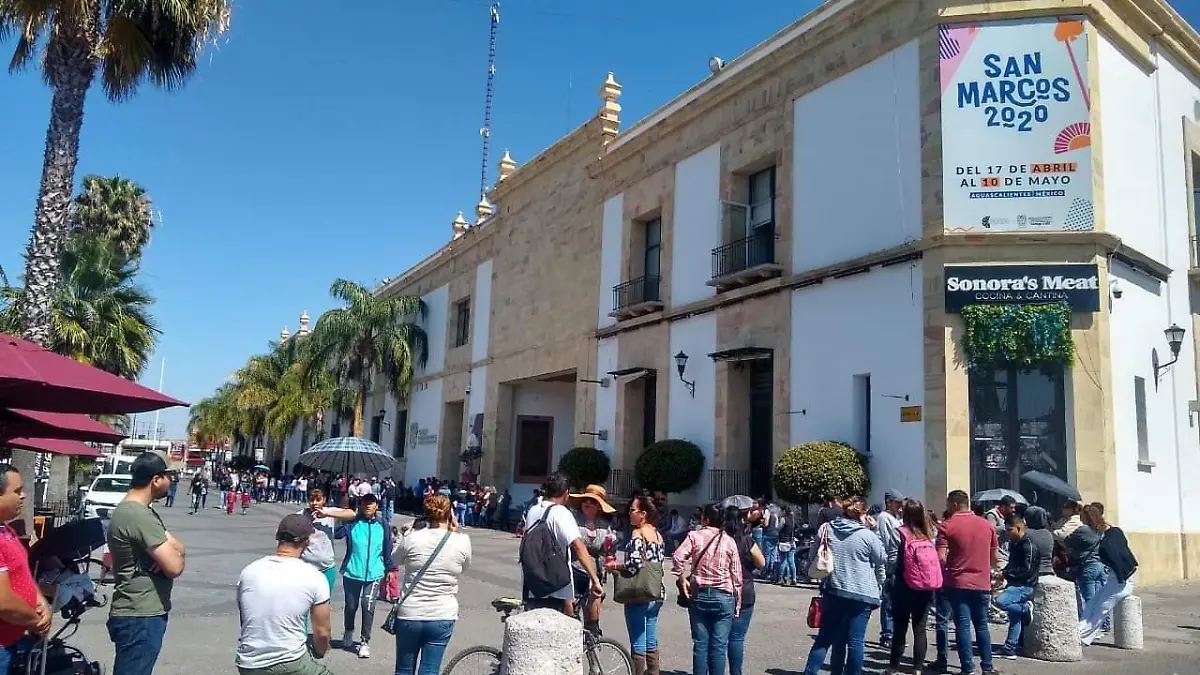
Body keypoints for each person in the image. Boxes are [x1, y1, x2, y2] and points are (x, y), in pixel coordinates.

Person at [107, 453, 185, 675]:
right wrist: (171, 556)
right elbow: (174, 566)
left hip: (141, 612)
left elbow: (179, 548)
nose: (171, 481)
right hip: (139, 614)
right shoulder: (136, 515)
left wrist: (173, 554)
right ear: (156, 479)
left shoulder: (143, 512)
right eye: (169, 476)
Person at [235, 515, 333, 675]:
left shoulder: (249, 571)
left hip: (248, 662)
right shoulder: (313, 577)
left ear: (278, 537)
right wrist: (319, 652)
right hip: (288, 661)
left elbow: (245, 618)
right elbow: (322, 631)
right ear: (306, 542)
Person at [800, 496, 885, 675]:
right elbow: (881, 558)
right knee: (856, 641)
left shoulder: (826, 528)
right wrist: (874, 530)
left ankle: (812, 672)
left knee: (825, 638)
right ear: (862, 514)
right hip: (862, 593)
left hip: (834, 589)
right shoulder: (867, 535)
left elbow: (813, 555)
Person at [393, 494, 472, 675]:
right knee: (430, 670)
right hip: (442, 613)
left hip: (410, 612)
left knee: (404, 670)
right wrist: (454, 533)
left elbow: (394, 559)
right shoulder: (462, 541)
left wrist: (404, 534)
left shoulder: (413, 538)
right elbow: (464, 567)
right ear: (450, 515)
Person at [672, 503, 743, 675]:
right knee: (719, 646)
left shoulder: (694, 536)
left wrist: (682, 580)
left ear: (706, 519)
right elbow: (736, 575)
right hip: (724, 596)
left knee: (700, 644)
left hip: (699, 593)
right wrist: (738, 602)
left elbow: (677, 557)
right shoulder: (729, 541)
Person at [520, 474, 604, 616]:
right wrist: (595, 579)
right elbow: (578, 546)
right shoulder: (560, 512)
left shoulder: (533, 510)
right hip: (555, 586)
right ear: (566, 493)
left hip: (533, 582)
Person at [935, 490, 999, 675]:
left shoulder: (947, 526)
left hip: (957, 582)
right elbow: (994, 557)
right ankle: (987, 666)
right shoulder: (987, 525)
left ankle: (967, 668)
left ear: (954, 505)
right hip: (981, 582)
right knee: (981, 624)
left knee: (962, 625)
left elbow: (941, 558)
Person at [606, 494, 665, 675]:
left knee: (638, 640)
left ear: (643, 513)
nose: (629, 513)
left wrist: (614, 565)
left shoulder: (637, 533)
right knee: (650, 638)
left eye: (632, 510)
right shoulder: (658, 535)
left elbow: (634, 564)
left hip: (639, 592)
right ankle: (654, 671)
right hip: (656, 592)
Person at [0, 465, 52, 671]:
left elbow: (23, 574)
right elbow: (3, 601)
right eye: (17, 491)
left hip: (12, 641)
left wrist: (42, 603)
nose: (23, 496)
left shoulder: (6, 529)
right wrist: (36, 620)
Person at [335, 493, 396, 659]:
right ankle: (348, 631)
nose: (369, 506)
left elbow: (387, 549)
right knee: (351, 606)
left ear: (377, 505)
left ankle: (364, 642)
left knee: (367, 605)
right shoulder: (353, 522)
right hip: (352, 571)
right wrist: (346, 512)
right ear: (361, 505)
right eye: (365, 503)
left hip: (375, 572)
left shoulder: (383, 524)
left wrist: (391, 569)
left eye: (372, 503)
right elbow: (337, 533)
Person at [886, 499, 938, 675]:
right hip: (925, 587)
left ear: (904, 513)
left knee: (900, 627)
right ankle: (917, 668)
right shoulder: (928, 534)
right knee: (920, 628)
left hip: (903, 584)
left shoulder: (899, 533)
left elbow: (892, 561)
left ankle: (893, 667)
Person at [1078, 504, 1137, 646]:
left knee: (1101, 607)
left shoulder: (1105, 544)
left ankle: (1083, 638)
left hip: (1120, 579)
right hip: (1118, 577)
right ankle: (1078, 632)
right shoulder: (1115, 531)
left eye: (1084, 521)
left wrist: (1122, 577)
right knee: (1093, 603)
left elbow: (1118, 560)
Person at [569, 484, 618, 636]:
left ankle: (592, 654)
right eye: (585, 500)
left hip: (595, 577)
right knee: (572, 622)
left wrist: (610, 554)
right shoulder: (573, 520)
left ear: (599, 506)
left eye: (593, 501)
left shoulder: (605, 525)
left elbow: (609, 550)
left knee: (592, 625)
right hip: (574, 573)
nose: (588, 503)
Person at [993, 513, 1038, 660]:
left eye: (1009, 530)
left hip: (1025, 585)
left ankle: (1026, 608)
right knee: (1014, 619)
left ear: (1018, 528)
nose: (1007, 533)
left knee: (1000, 602)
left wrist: (1005, 574)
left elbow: (1026, 570)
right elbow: (1012, 564)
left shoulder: (1028, 545)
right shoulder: (1014, 544)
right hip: (1014, 583)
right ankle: (1010, 648)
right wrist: (1003, 573)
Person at [727, 507, 765, 675]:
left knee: (717, 638)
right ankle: (736, 672)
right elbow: (761, 562)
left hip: (722, 589)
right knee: (736, 637)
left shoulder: (720, 538)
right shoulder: (746, 540)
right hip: (744, 589)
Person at [874, 490, 904, 650]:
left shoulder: (895, 518)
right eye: (897, 503)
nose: (900, 507)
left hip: (898, 564)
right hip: (889, 565)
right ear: (889, 502)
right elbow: (888, 542)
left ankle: (893, 632)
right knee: (889, 602)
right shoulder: (884, 518)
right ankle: (887, 634)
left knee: (895, 601)